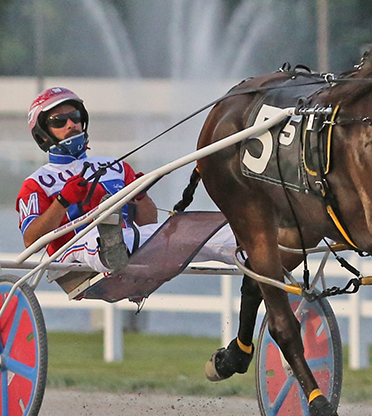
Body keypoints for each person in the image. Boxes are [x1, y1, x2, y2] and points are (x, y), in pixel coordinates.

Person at [17, 86, 236, 275]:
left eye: (75, 117)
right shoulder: (36, 183)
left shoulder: (116, 166)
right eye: (59, 121)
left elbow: (148, 223)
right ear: (43, 133)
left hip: (130, 241)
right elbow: (31, 240)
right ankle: (111, 245)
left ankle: (252, 251)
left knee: (190, 231)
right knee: (97, 236)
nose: (71, 124)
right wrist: (63, 201)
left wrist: (140, 197)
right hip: (73, 253)